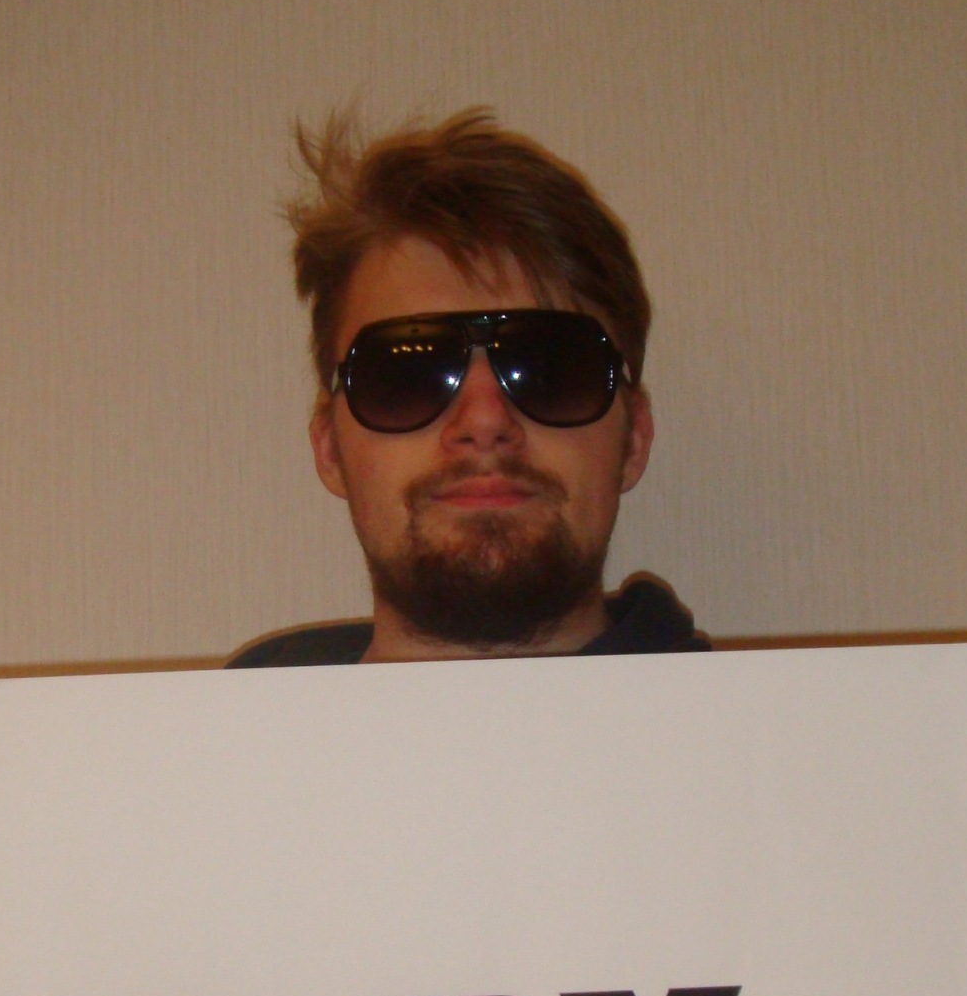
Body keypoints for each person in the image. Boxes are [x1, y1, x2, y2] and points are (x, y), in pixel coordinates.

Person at [229, 110, 709, 666]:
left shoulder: (769, 720)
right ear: (330, 448)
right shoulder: (220, 720)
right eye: (408, 374)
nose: (484, 421)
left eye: (550, 368)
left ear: (635, 440)